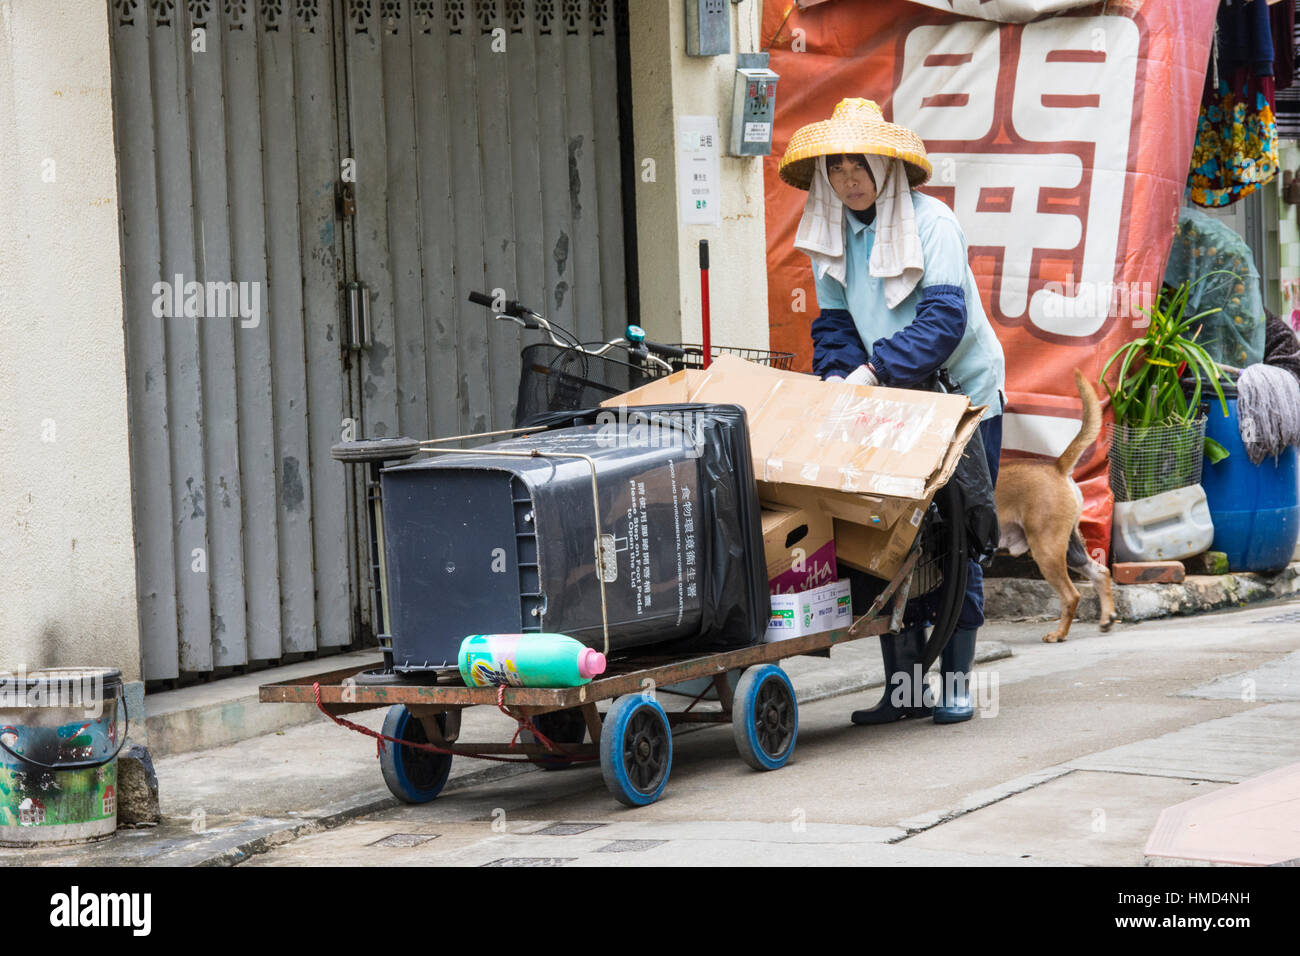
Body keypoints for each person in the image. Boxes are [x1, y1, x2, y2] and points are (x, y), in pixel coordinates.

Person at [778, 97, 1006, 724]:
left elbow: (943, 321)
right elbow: (833, 327)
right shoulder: (831, 235)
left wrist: (873, 370)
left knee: (960, 536)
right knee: (880, 533)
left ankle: (957, 683)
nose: (847, 179)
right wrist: (836, 376)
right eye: (836, 169)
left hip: (961, 397)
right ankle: (902, 690)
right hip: (888, 402)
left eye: (859, 166)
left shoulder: (932, 223)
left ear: (885, 167)